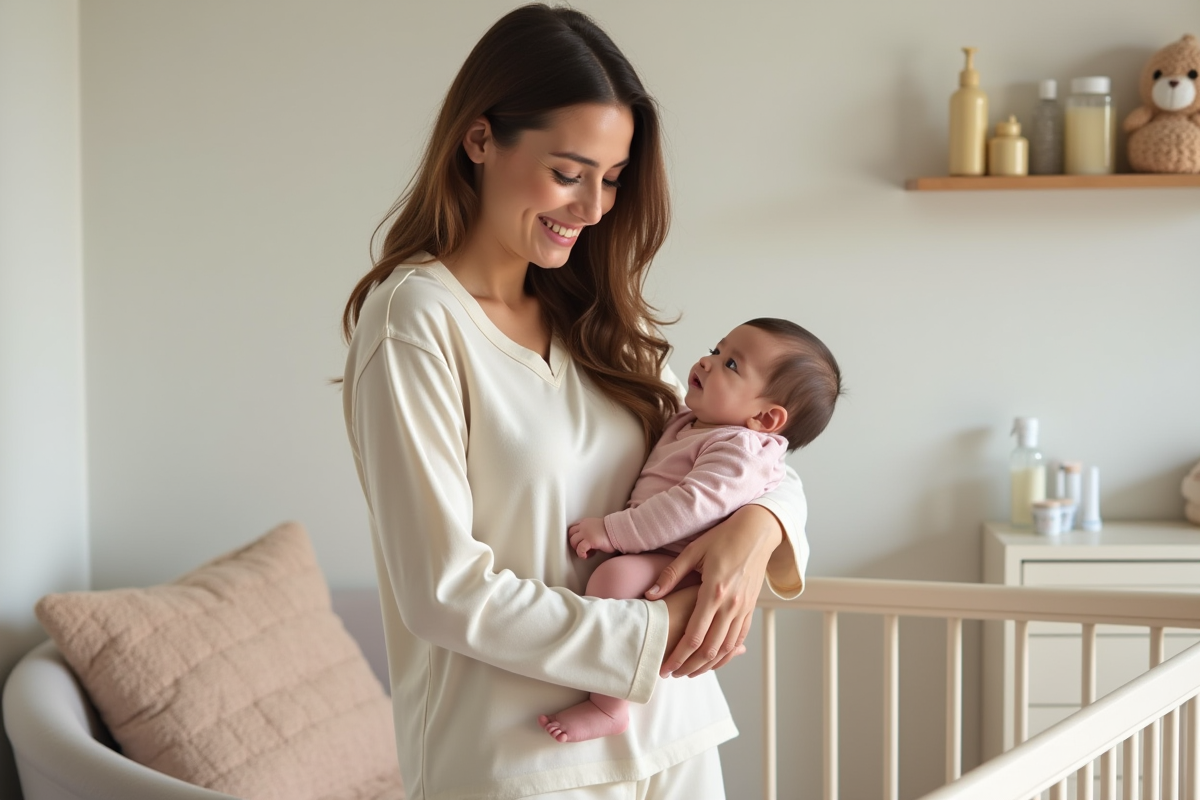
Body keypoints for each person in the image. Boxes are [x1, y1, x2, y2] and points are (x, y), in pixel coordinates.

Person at [340, 6, 811, 798]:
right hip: (522, 764)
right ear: (480, 139)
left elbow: (745, 450)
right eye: (569, 173)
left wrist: (761, 527)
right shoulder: (415, 321)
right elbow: (443, 592)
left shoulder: (599, 319)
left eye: (613, 179)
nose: (594, 208)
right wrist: (654, 630)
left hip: (676, 738)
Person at [540, 319, 841, 744]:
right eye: (717, 350)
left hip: (686, 564)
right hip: (664, 551)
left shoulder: (739, 450)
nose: (707, 361)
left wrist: (613, 531)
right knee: (616, 580)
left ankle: (609, 706)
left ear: (765, 417)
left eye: (731, 364)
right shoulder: (693, 420)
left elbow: (686, 508)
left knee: (613, 579)